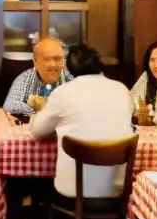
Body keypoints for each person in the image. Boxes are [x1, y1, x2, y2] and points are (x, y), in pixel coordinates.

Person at [31, 43, 134, 199]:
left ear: (69, 68)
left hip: (71, 191)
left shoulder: (63, 92)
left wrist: (41, 111)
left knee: (37, 186)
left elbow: (37, 132)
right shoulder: (122, 90)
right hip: (117, 191)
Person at [3, 36, 73, 118]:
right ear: (35, 61)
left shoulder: (69, 77)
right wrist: (37, 110)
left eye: (57, 59)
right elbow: (10, 104)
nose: (53, 65)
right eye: (47, 59)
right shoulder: (24, 78)